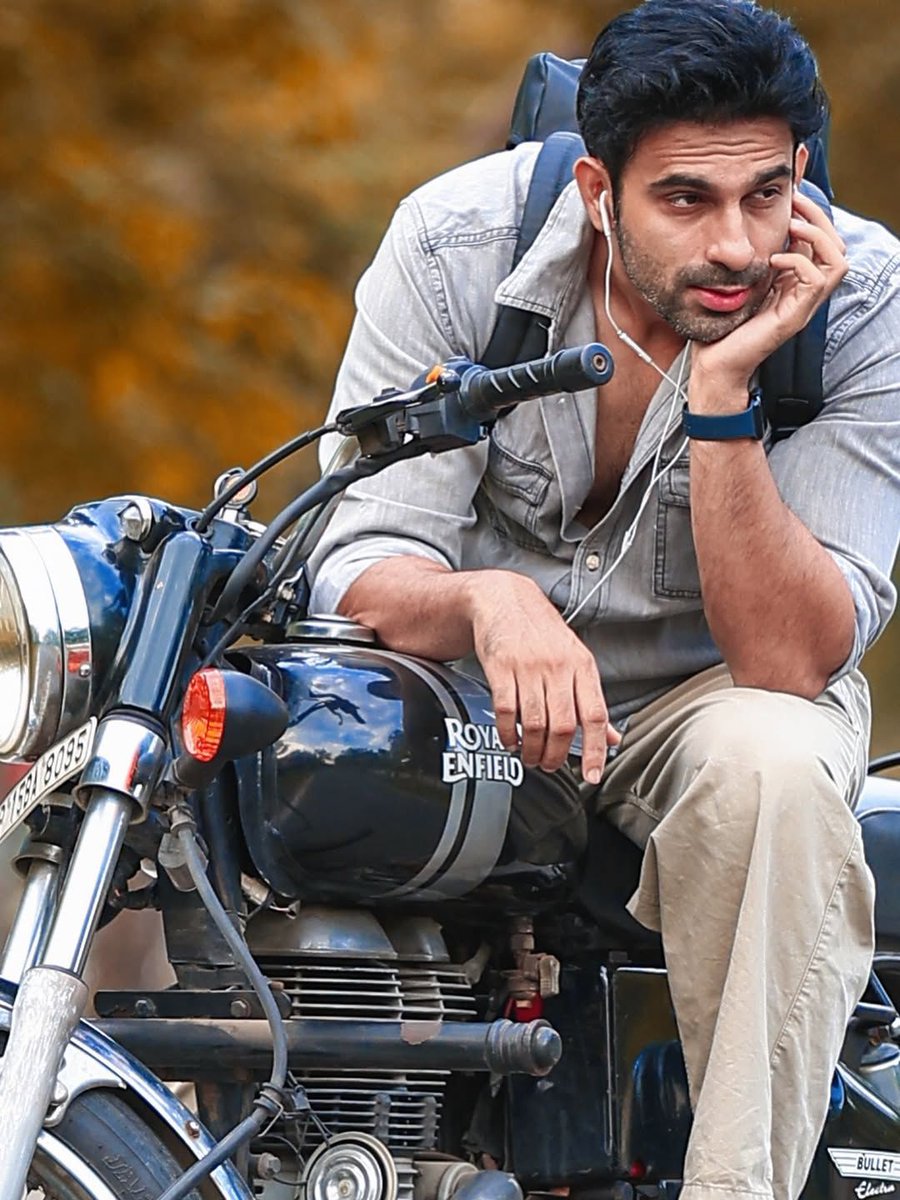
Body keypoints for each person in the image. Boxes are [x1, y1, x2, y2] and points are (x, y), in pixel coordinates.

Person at [307, 1, 900, 1197]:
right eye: (685, 200)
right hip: (477, 702)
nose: (736, 245)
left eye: (766, 195)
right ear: (597, 188)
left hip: (710, 698)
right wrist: (488, 603)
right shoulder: (450, 248)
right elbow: (358, 555)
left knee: (774, 766)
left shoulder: (866, 299)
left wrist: (727, 392)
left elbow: (793, 657)